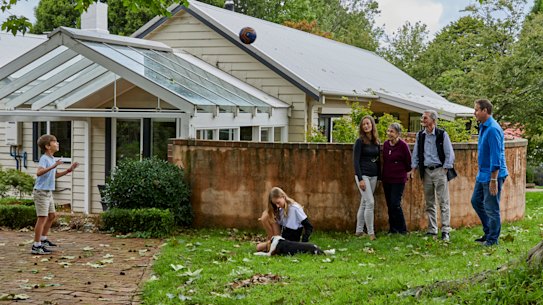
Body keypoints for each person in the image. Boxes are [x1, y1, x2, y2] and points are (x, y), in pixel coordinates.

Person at [410, 110, 455, 242]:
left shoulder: (442, 134)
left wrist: (445, 169)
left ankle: (446, 230)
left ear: (433, 120)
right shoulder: (421, 135)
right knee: (429, 202)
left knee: (443, 202)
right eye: (422, 117)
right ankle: (432, 229)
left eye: (425, 118)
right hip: (426, 172)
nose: (422, 120)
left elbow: (449, 153)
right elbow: (416, 152)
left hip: (439, 170)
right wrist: (414, 168)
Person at [31, 134, 79, 255]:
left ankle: (43, 239)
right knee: (42, 218)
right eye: (55, 142)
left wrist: (69, 170)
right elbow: (39, 173)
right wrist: (53, 166)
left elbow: (55, 175)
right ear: (48, 146)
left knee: (52, 216)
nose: (57, 143)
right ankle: (36, 246)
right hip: (41, 192)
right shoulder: (44, 159)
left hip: (48, 192)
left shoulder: (52, 158)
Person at [471, 99, 508, 246]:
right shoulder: (483, 127)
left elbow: (496, 156)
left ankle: (493, 240)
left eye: (476, 110)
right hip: (483, 174)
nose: (475, 113)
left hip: (493, 175)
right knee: (476, 201)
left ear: (485, 111)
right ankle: (488, 232)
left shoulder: (493, 129)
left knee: (492, 208)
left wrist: (493, 180)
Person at [256, 187, 314, 252]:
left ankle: (270, 244)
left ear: (283, 197)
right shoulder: (280, 210)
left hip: (289, 242)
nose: (277, 206)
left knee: (259, 247)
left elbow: (309, 227)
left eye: (278, 202)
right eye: (275, 204)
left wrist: (304, 243)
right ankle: (270, 241)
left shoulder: (295, 208)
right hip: (282, 239)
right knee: (265, 215)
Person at [353, 115, 380, 240]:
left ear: (372, 125)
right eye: (364, 124)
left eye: (368, 123)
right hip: (363, 175)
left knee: (364, 203)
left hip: (374, 176)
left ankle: (359, 231)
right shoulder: (359, 141)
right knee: (370, 202)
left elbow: (378, 161)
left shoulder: (376, 141)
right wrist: (360, 179)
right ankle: (371, 233)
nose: (366, 126)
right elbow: (356, 161)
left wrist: (379, 177)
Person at [382, 123, 412, 234]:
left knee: (395, 204)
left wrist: (407, 172)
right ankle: (392, 229)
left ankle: (402, 229)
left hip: (398, 179)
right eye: (388, 131)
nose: (389, 134)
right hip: (387, 178)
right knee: (389, 204)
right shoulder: (386, 144)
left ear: (398, 134)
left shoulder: (403, 145)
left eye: (392, 132)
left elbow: (408, 162)